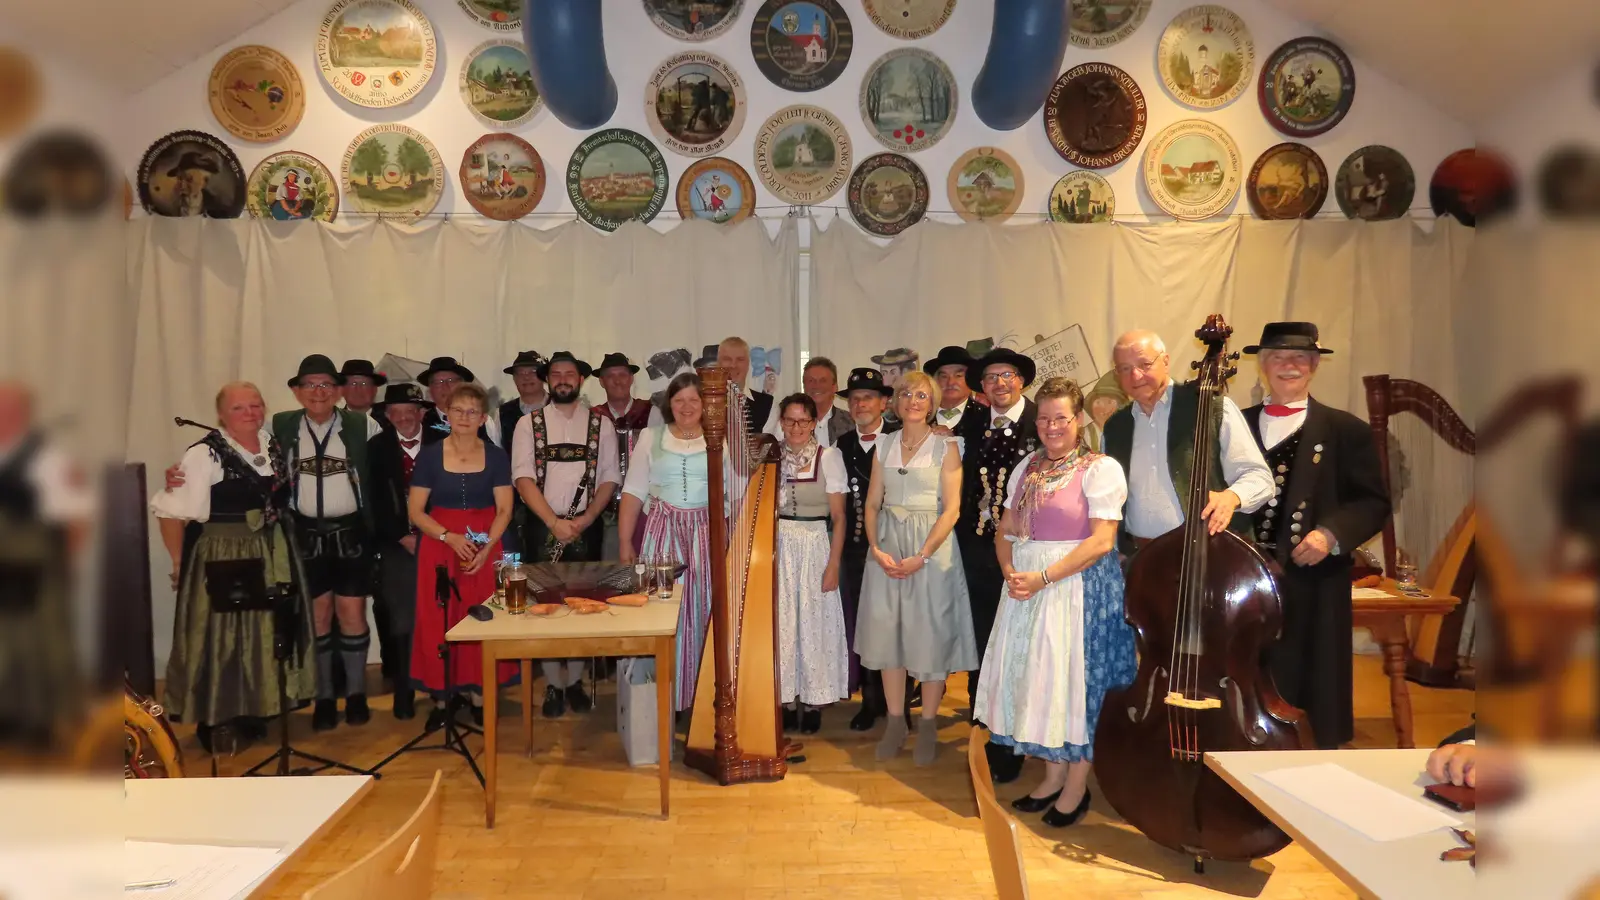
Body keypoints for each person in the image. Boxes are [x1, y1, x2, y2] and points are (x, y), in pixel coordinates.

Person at [974, 377, 1135, 827]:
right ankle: (1052, 777)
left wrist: (1043, 577)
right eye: (1044, 418)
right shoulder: (1028, 465)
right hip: (1028, 586)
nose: (1051, 426)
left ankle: (1076, 786)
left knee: (1074, 684)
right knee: (1042, 682)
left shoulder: (1100, 469)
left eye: (1061, 417)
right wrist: (1010, 570)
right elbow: (1006, 529)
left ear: (1078, 419)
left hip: (1076, 587)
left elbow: (1102, 541)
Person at [1241, 322, 1391, 749]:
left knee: (1310, 682)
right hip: (1246, 579)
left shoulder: (1346, 430)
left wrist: (1330, 535)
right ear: (1263, 364)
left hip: (1313, 578)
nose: (1289, 365)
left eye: (1300, 358)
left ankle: (1310, 757)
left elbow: (1372, 502)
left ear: (1314, 365)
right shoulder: (1236, 425)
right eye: (1278, 356)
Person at [150, 382, 314, 752]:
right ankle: (215, 719)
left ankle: (252, 709)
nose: (250, 413)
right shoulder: (204, 454)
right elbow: (169, 511)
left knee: (259, 633)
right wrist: (178, 562)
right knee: (221, 636)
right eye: (239, 408)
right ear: (222, 415)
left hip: (270, 551)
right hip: (223, 554)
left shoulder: (271, 444)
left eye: (255, 405)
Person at [857, 371, 976, 765]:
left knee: (930, 636)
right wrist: (876, 548)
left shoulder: (947, 446)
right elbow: (872, 503)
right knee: (889, 634)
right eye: (907, 393)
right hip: (888, 546)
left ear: (933, 403)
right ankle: (896, 722)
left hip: (931, 549)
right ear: (896, 401)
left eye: (922, 395)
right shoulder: (884, 444)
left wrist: (923, 555)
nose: (913, 400)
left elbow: (952, 509)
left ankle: (927, 724)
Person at [272, 355, 383, 730]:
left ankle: (355, 693)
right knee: (317, 616)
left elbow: (384, 466)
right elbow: (249, 453)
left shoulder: (361, 424)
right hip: (305, 533)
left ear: (338, 391)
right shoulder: (282, 425)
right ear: (296, 391)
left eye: (325, 385)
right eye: (310, 384)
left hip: (351, 532)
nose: (318, 392)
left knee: (352, 613)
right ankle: (323, 696)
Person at [510, 351, 620, 717]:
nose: (562, 379)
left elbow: (609, 478)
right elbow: (522, 478)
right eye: (555, 373)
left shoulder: (601, 425)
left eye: (569, 373)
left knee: (582, 604)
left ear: (580, 379)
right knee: (545, 606)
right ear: (547, 379)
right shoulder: (528, 424)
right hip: (542, 526)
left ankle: (574, 680)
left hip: (586, 525)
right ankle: (553, 684)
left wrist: (587, 519)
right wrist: (552, 522)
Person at [1100, 330, 1275, 557]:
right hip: (1142, 562)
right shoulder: (1115, 427)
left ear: (1165, 361)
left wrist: (1231, 497)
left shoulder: (1212, 407)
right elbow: (1110, 501)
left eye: (1144, 364)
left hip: (1210, 556)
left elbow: (1260, 478)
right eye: (1124, 368)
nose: (1135, 376)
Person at [953, 348, 1041, 782]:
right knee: (982, 638)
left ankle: (1014, 739)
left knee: (1020, 644)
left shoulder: (1043, 423)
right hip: (976, 550)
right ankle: (983, 727)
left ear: (1020, 380)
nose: (999, 383)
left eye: (1006, 375)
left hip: (1027, 552)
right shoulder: (969, 424)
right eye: (990, 378)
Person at [407, 383, 517, 725]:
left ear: (483, 418)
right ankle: (443, 700)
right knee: (439, 618)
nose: (465, 417)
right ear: (447, 414)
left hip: (486, 541)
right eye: (458, 410)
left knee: (483, 617)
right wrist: (448, 536)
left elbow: (504, 509)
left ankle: (481, 696)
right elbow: (416, 511)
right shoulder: (429, 455)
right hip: (439, 543)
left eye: (472, 411)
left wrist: (487, 549)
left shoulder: (496, 456)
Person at [0, 381, 92, 749]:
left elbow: (75, 517)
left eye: (11, 409)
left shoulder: (49, 459)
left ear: (25, 413)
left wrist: (68, 565)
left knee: (37, 645)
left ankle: (39, 722)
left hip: (32, 564)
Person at [618, 373, 713, 720]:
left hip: (705, 535)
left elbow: (734, 495)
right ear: (669, 404)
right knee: (664, 612)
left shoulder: (719, 439)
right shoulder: (650, 437)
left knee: (702, 611)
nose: (686, 407)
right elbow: (633, 491)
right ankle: (666, 697)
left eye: (694, 400)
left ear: (705, 404)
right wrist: (625, 541)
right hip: (663, 534)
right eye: (679, 400)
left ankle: (700, 697)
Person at [772, 394, 850, 734]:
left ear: (814, 423)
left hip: (815, 543)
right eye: (789, 420)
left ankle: (814, 701)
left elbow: (839, 517)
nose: (796, 427)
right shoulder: (770, 456)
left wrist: (833, 564)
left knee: (814, 623)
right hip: (779, 546)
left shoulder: (828, 457)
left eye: (803, 420)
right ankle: (787, 700)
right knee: (784, 624)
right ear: (781, 422)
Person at [831, 367, 901, 731]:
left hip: (897, 545)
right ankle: (871, 700)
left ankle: (899, 703)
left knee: (897, 623)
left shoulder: (902, 439)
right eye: (855, 399)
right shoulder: (840, 446)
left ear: (884, 403)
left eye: (869, 397)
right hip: (858, 550)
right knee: (864, 624)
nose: (860, 404)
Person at [366, 382, 432, 720]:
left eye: (410, 411)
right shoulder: (376, 448)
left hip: (438, 541)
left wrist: (436, 535)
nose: (404, 418)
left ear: (421, 413)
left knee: (440, 615)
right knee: (402, 618)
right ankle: (404, 692)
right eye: (397, 412)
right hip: (396, 545)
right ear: (388, 416)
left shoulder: (442, 442)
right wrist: (400, 536)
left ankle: (443, 690)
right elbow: (373, 500)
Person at [594, 352, 661, 559]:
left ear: (631, 379)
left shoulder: (652, 412)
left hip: (645, 507)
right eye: (610, 376)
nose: (617, 381)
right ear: (601, 382)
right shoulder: (593, 417)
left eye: (622, 375)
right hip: (604, 509)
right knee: (611, 568)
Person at [419, 357, 498, 448]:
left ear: (462, 385)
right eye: (439, 382)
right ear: (430, 389)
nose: (445, 387)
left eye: (451, 381)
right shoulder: (421, 421)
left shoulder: (483, 420)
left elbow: (495, 453)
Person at [769, 357, 849, 446]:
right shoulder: (785, 422)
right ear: (804, 386)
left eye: (823, 380)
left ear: (835, 387)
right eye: (811, 380)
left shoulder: (851, 423)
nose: (817, 386)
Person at [717, 337, 778, 436]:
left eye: (740, 359)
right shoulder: (701, 402)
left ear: (748, 363)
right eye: (727, 359)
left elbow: (764, 444)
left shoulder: (768, 405)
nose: (733, 365)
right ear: (718, 363)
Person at [496, 350, 549, 449]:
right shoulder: (503, 413)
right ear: (514, 379)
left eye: (532, 372)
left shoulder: (557, 406)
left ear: (543, 377)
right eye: (520, 373)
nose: (526, 377)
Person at [924, 345, 980, 431]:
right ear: (935, 381)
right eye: (944, 376)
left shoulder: (985, 416)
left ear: (971, 379)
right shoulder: (921, 414)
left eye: (958, 375)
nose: (950, 382)